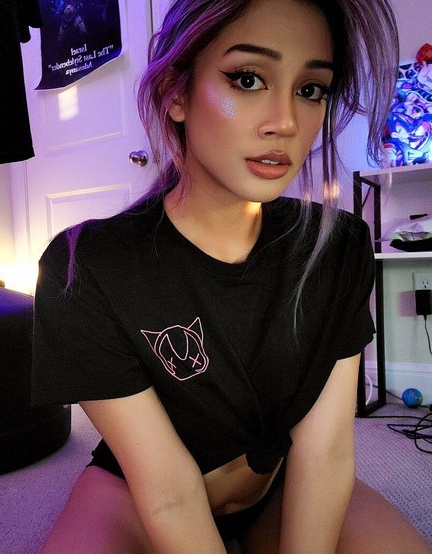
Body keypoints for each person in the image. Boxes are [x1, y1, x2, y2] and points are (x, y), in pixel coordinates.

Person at [31, 0, 432, 552]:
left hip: (280, 487)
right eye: (247, 79)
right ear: (175, 93)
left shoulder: (336, 246)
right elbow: (168, 491)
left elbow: (325, 452)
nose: (286, 122)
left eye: (310, 89)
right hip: (137, 496)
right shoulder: (87, 267)